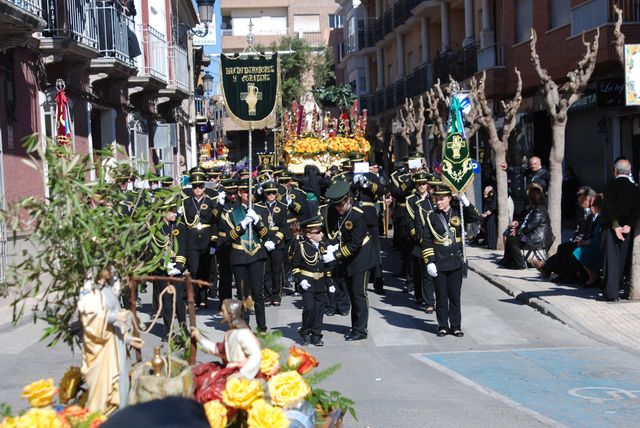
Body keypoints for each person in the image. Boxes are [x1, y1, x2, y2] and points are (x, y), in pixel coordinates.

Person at [78, 269, 144, 415]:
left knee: (122, 386)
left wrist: (129, 339)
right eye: (108, 266)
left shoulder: (107, 288)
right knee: (103, 389)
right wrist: (114, 316)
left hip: (116, 347)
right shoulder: (90, 290)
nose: (111, 269)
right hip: (102, 350)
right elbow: (90, 317)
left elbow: (115, 324)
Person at [421, 184, 480, 337]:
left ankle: (455, 325)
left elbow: (475, 216)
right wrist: (430, 261)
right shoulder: (432, 216)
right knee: (441, 296)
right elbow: (426, 240)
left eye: (441, 199)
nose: (438, 202)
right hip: (439, 261)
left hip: (455, 261)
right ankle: (442, 325)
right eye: (436, 199)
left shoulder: (458, 212)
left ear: (448, 198)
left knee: (454, 296)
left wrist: (464, 200)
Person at [322, 181, 375, 341]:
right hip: (350, 257)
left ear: (348, 199)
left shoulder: (357, 215)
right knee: (352, 294)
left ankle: (361, 330)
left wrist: (336, 254)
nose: (338, 208)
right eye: (335, 205)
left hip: (362, 258)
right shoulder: (341, 213)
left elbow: (355, 244)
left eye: (340, 205)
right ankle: (355, 327)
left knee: (359, 294)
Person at [218, 179, 269, 332]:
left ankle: (262, 326)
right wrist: (244, 223)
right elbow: (228, 237)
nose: (249, 194)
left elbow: (266, 234)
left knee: (258, 293)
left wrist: (258, 222)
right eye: (246, 191)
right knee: (242, 293)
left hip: (257, 255)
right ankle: (244, 325)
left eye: (251, 191)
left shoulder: (261, 210)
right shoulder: (231, 213)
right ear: (240, 193)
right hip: (239, 255)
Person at [191, 299, 262, 403]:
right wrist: (200, 339)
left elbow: (256, 355)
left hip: (240, 375)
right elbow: (219, 349)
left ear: (231, 313)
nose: (220, 314)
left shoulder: (243, 334)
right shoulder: (231, 333)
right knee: (201, 375)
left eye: (223, 311)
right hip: (230, 371)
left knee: (212, 391)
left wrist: (242, 374)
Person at [530, 186, 596, 282]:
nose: (578, 200)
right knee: (564, 247)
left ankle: (547, 267)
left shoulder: (591, 213)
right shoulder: (585, 213)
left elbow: (586, 232)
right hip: (582, 240)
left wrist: (579, 240)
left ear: (588, 199)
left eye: (581, 197)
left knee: (565, 248)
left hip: (587, 242)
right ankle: (549, 269)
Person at [600, 158, 640, 301]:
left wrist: (615, 226)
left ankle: (611, 293)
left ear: (615, 171)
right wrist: (629, 224)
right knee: (622, 259)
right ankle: (618, 287)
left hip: (611, 226)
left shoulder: (610, 185)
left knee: (610, 259)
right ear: (629, 172)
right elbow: (637, 209)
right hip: (627, 227)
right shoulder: (635, 187)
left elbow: (610, 206)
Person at [291, 215, 333, 346]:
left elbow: (327, 267)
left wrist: (330, 282)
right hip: (307, 283)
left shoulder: (323, 246)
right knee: (309, 309)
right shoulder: (302, 247)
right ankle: (305, 332)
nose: (321, 234)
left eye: (321, 231)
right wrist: (300, 280)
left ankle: (316, 335)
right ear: (309, 235)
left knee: (319, 310)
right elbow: (294, 267)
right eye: (318, 232)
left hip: (320, 283)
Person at [151, 195, 188, 341]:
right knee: (166, 302)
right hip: (162, 270)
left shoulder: (179, 226)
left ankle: (184, 330)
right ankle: (167, 332)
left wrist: (179, 266)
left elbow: (183, 248)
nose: (175, 213)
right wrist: (163, 263)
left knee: (179, 301)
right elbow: (151, 250)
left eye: (175, 210)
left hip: (176, 270)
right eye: (171, 211)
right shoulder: (155, 229)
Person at [181, 168, 217, 309]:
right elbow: (183, 223)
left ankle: (204, 297)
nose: (197, 189)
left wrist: (214, 241)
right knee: (194, 270)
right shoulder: (186, 202)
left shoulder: (211, 201)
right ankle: (194, 297)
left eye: (200, 186)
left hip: (207, 240)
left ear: (204, 187)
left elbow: (214, 222)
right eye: (194, 186)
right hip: (192, 241)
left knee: (205, 270)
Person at [253, 181, 289, 306]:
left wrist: (274, 241)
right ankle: (267, 296)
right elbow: (256, 225)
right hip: (263, 241)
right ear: (264, 193)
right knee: (265, 270)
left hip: (277, 243)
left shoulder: (283, 206)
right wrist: (265, 240)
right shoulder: (257, 207)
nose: (271, 195)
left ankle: (276, 295)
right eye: (269, 193)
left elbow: (284, 227)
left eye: (274, 192)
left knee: (276, 270)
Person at [500, 185, 554, 270]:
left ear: (533, 199)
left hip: (535, 240)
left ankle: (519, 263)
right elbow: (527, 222)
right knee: (511, 237)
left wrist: (517, 232)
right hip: (531, 237)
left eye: (529, 198)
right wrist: (518, 224)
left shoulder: (539, 211)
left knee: (514, 240)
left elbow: (529, 227)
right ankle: (508, 260)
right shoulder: (534, 209)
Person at [406, 171, 436, 311]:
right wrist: (416, 236)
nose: (421, 186)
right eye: (419, 184)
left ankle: (430, 300)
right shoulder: (411, 200)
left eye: (424, 184)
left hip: (433, 239)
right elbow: (410, 222)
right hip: (418, 239)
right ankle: (421, 295)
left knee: (429, 271)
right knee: (419, 270)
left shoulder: (433, 199)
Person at [481, 185, 498, 250]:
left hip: (492, 216)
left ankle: (492, 245)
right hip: (488, 216)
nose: (484, 193)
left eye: (485, 191)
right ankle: (489, 244)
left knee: (491, 229)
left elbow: (492, 206)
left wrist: (486, 213)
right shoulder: (488, 197)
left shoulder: (492, 195)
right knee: (488, 229)